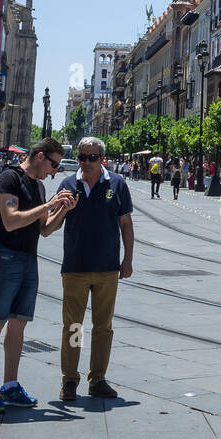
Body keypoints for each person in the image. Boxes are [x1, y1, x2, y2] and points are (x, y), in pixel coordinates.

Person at [0, 138, 76, 413]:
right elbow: (10, 221)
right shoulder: (10, 178)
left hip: (28, 258)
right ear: (40, 156)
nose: (55, 171)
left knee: (19, 324)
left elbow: (44, 229)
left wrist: (62, 212)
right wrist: (48, 205)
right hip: (5, 256)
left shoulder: (38, 185)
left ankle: (10, 385)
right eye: (53, 164)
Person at [57, 136, 134, 401]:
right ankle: (69, 379)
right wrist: (60, 209)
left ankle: (98, 378)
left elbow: (125, 223)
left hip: (107, 267)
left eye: (92, 157)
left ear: (102, 159)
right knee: (73, 327)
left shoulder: (117, 183)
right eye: (82, 157)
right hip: (75, 267)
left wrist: (128, 260)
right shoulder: (68, 184)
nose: (86, 162)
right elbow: (50, 225)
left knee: (103, 327)